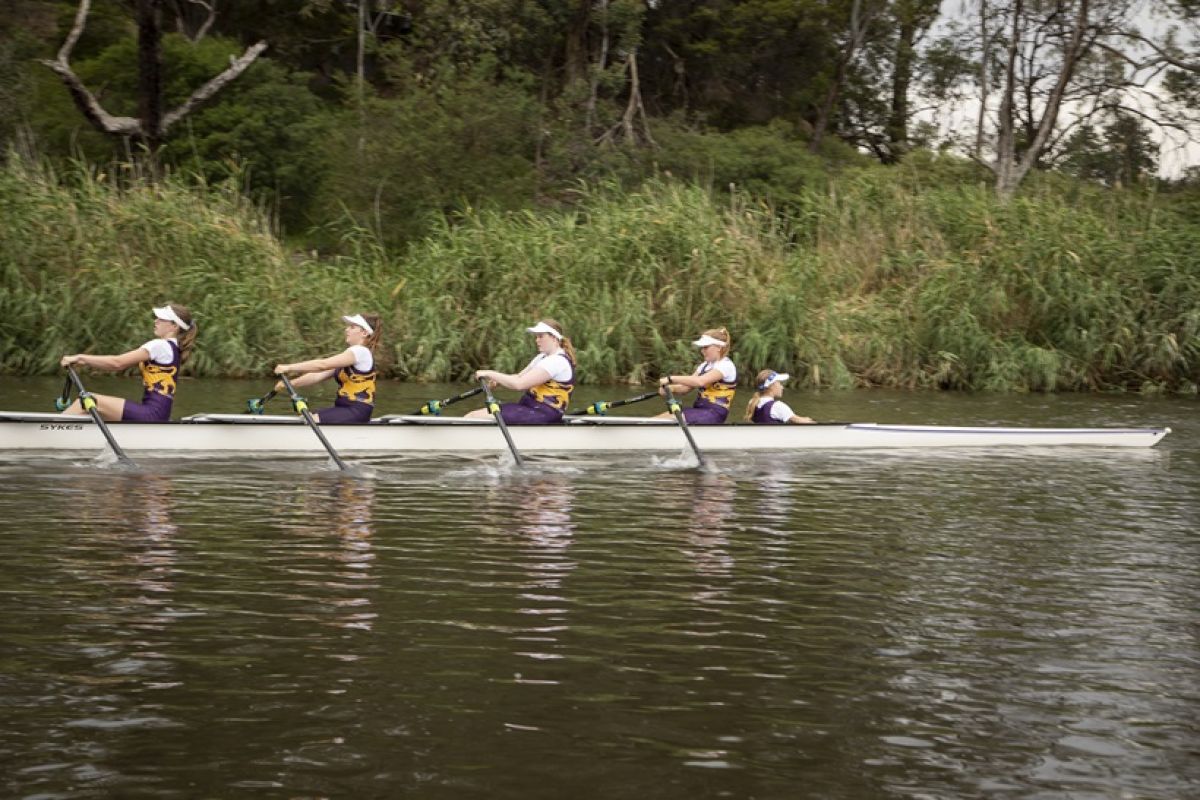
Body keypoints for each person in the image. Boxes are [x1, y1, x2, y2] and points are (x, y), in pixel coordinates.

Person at [59, 303, 197, 422]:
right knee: (95, 409)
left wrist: (79, 358)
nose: (156, 321)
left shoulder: (159, 346)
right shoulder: (173, 348)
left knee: (88, 400)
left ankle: (50, 428)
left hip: (151, 415)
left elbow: (117, 363)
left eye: (161, 319)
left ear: (174, 326)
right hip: (158, 414)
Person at [273, 313, 381, 424]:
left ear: (364, 333)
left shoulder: (360, 352)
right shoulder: (350, 355)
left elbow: (322, 365)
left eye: (352, 327)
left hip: (356, 411)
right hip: (344, 409)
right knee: (309, 415)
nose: (346, 330)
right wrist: (290, 384)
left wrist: (289, 367)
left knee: (310, 419)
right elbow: (317, 375)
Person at [467, 319, 576, 424]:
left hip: (543, 414)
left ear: (554, 338)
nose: (537, 340)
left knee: (473, 417)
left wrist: (489, 373)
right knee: (473, 415)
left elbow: (519, 384)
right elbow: (518, 377)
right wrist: (498, 380)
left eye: (541, 336)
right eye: (536, 336)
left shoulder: (557, 361)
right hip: (529, 408)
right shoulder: (542, 357)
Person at [657, 327, 738, 425]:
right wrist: (670, 389)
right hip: (700, 410)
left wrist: (670, 379)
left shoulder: (726, 365)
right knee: (658, 418)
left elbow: (700, 381)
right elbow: (685, 388)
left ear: (719, 347)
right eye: (702, 347)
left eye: (706, 347)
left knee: (667, 419)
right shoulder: (705, 365)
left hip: (714, 413)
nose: (702, 351)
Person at [744, 370, 815, 424]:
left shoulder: (752, 402)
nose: (782, 387)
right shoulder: (777, 406)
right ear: (772, 386)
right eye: (779, 383)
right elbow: (799, 421)